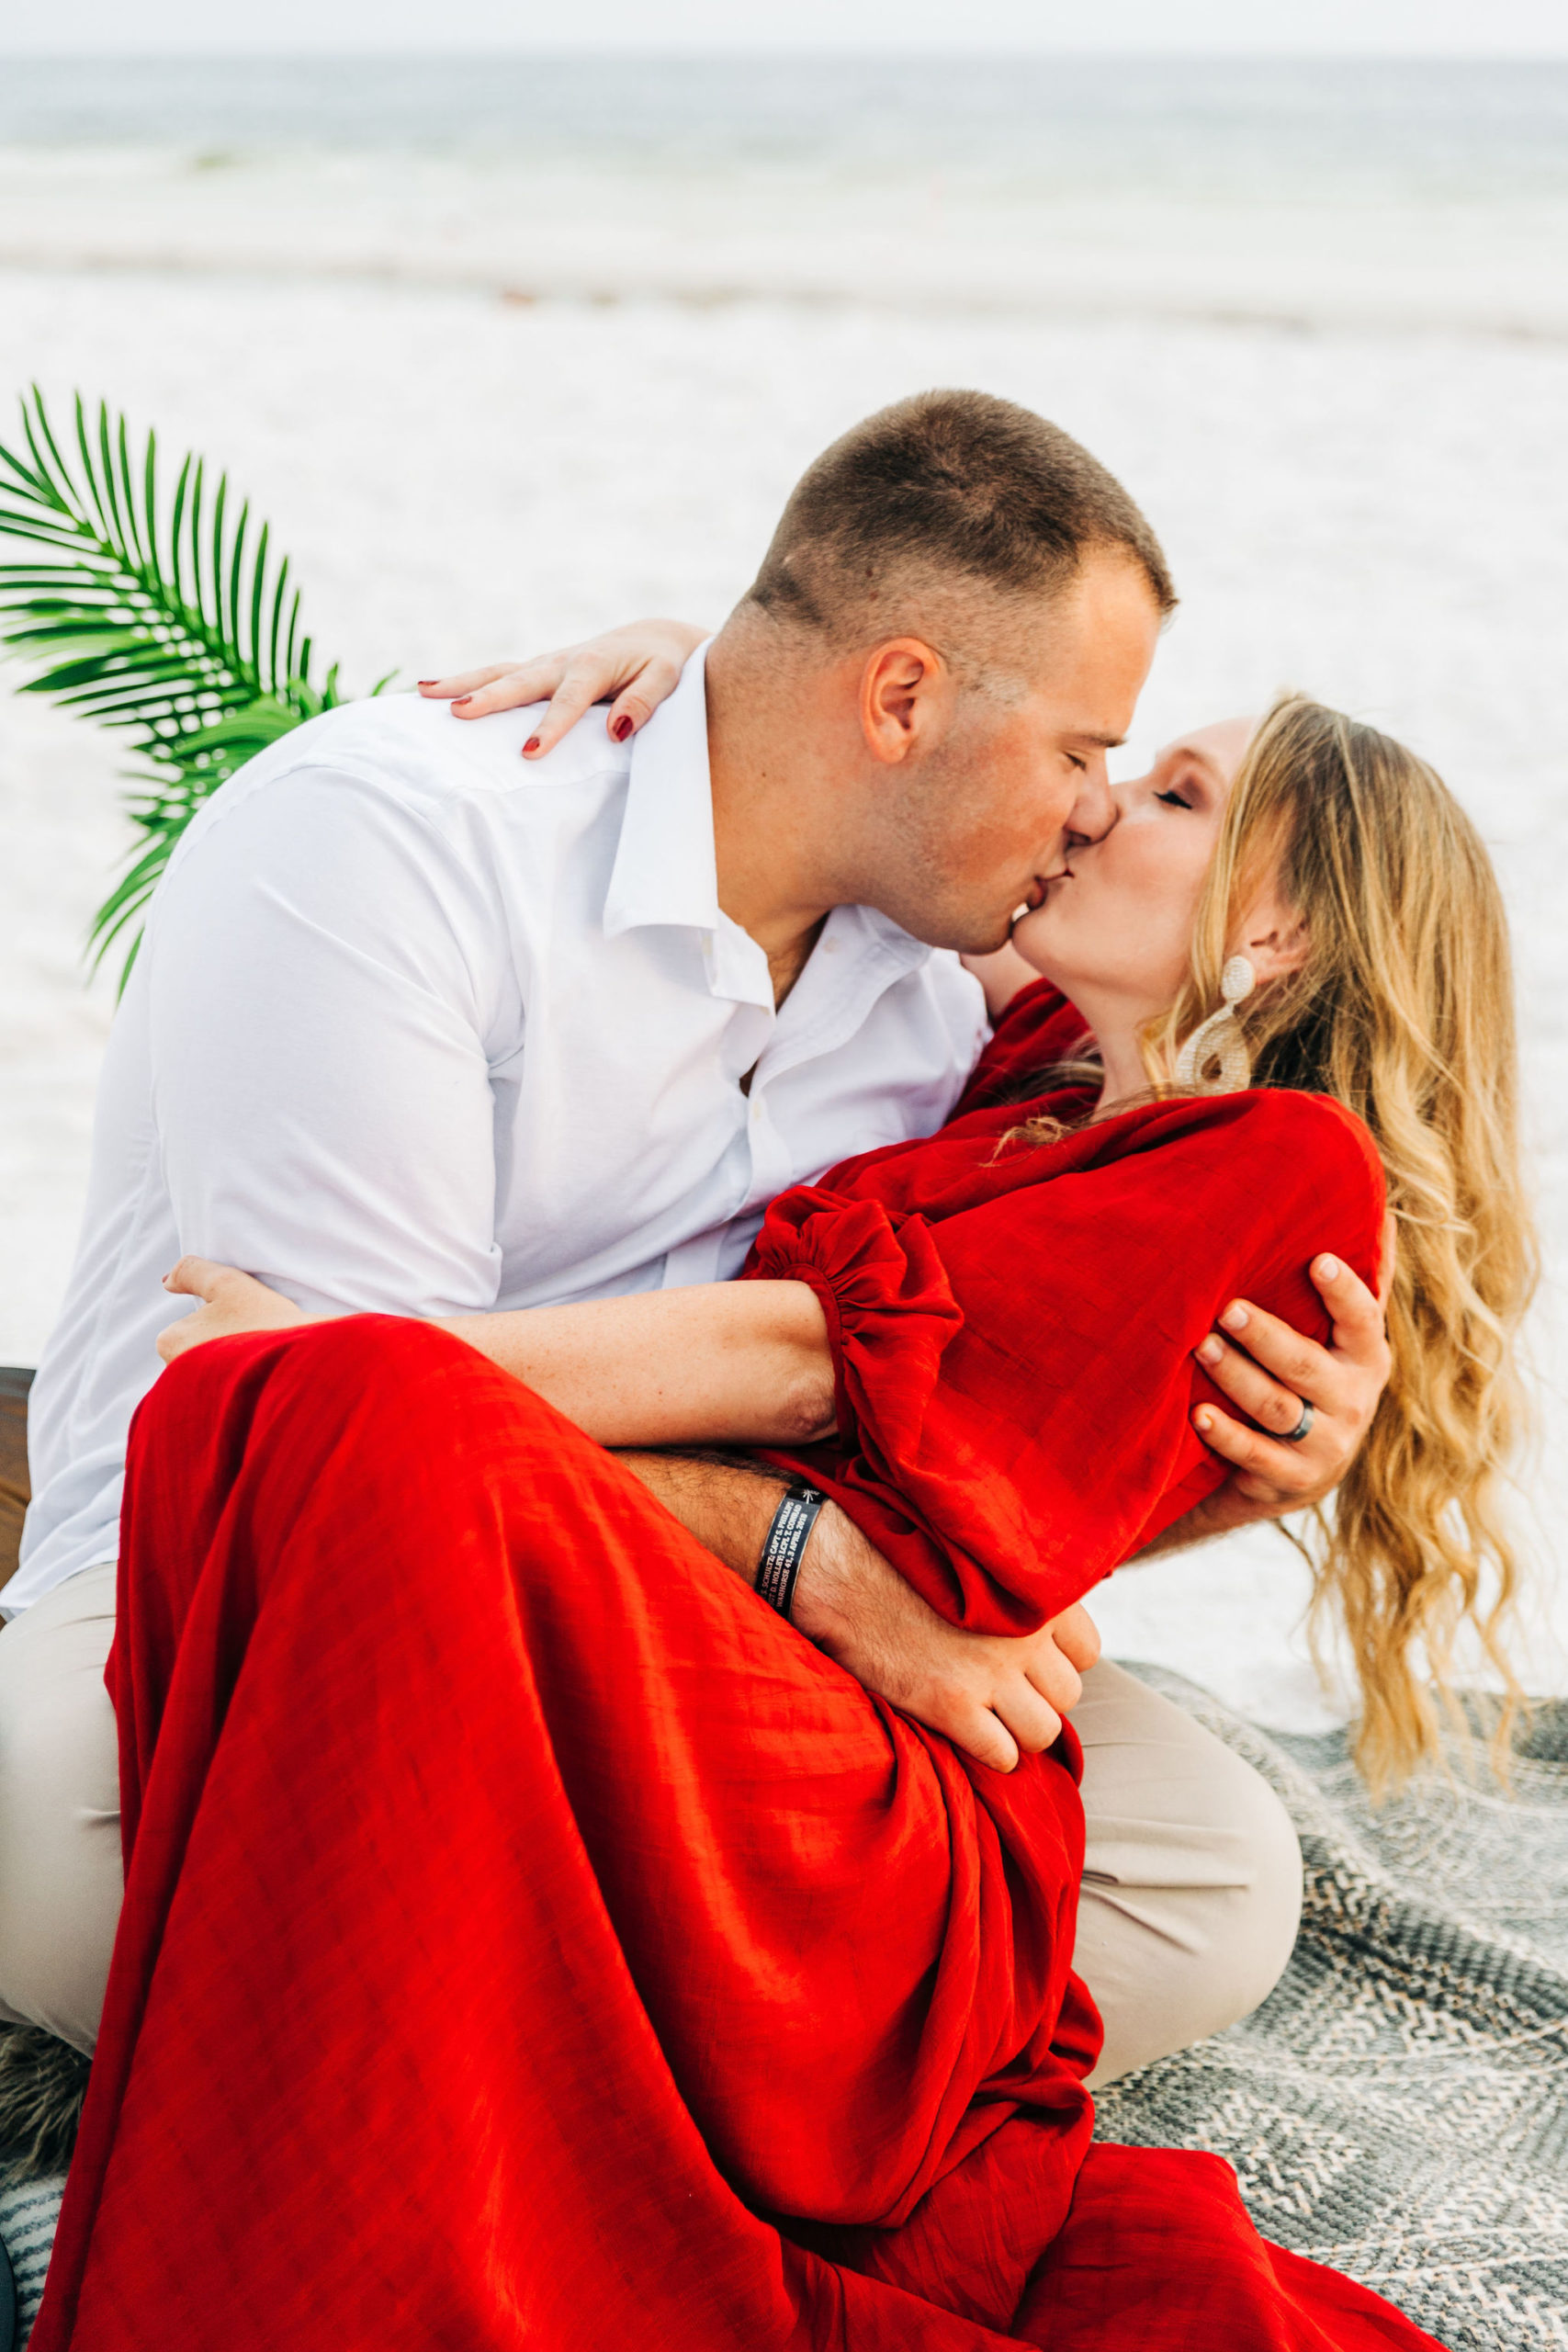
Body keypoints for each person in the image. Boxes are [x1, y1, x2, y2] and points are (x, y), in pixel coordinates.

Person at [34, 692, 1528, 2349]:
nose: (1099, 808)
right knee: (368, 1461)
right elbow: (862, 762)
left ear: (1281, 930)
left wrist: (355, 1358)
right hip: (769, 1662)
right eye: (1118, 766)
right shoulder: (1038, 1068)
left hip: (873, 1777)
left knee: (370, 1419)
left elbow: (810, 1364)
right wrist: (711, 677)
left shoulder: (1275, 1162)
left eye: (1174, 793)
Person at [0, 391, 1388, 2076]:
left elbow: (977, 1428)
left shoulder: (949, 986)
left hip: (709, 1650)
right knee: (43, 1840)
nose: (1094, 810)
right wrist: (810, 1563)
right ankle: (660, 2069)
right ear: (899, 699)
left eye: (1132, 775)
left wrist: (1234, 1464)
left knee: (1209, 1879)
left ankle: (493, 2059)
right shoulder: (394, 844)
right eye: (1088, 753)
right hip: (263, 1606)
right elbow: (327, 1460)